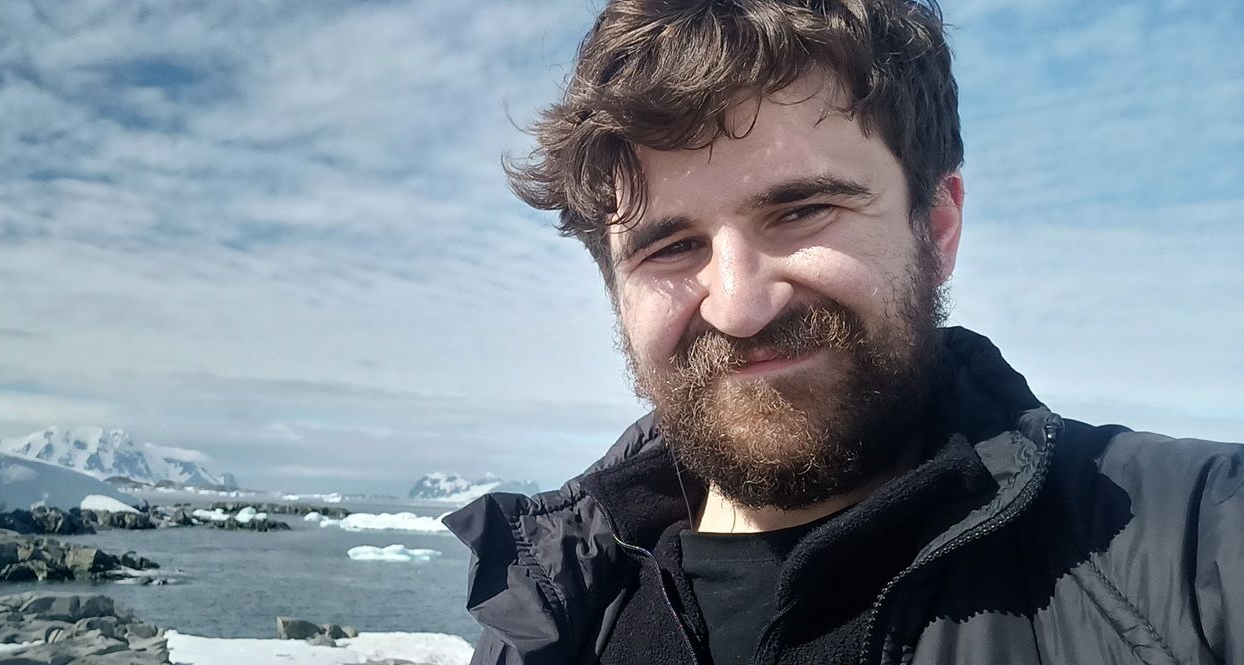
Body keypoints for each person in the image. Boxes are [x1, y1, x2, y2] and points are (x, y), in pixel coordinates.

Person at [440, 0, 1244, 663]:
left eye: (801, 209)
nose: (739, 305)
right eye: (670, 246)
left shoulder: (1188, 551)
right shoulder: (551, 610)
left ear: (936, 223)